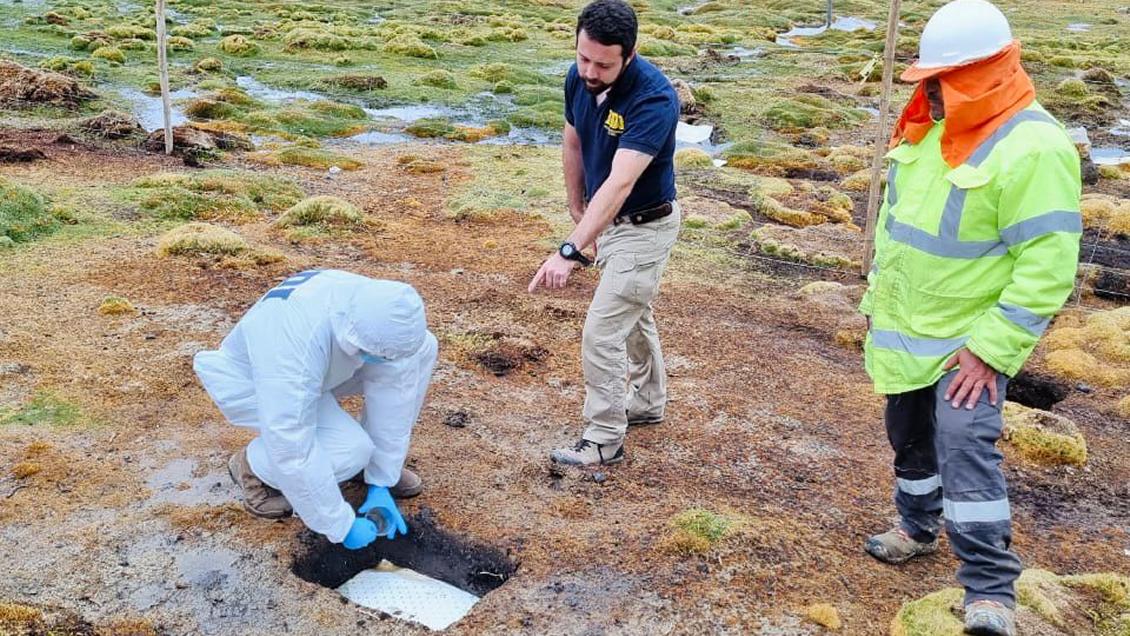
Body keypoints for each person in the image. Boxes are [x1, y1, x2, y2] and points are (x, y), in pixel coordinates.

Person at [858, 1, 1082, 634]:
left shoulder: (1034, 148)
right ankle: (917, 527)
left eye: (944, 78)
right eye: (928, 79)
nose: (930, 90)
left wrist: (991, 348)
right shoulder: (927, 129)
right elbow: (896, 232)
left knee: (966, 454)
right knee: (909, 437)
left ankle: (989, 589)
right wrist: (877, 306)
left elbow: (1047, 266)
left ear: (990, 71)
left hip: (970, 346)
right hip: (906, 333)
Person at [529, 0, 681, 466]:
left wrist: (570, 248)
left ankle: (603, 439)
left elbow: (620, 182)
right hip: (607, 221)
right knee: (633, 311)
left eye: (603, 63)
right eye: (583, 58)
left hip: (644, 226)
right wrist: (577, 208)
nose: (590, 71)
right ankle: (648, 403)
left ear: (629, 55)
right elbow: (573, 139)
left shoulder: (653, 99)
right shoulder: (578, 77)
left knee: (602, 330)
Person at [193, 269, 438, 550]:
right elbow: (292, 445)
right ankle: (252, 466)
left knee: (421, 351)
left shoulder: (378, 309)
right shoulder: (293, 344)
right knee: (350, 449)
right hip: (253, 380)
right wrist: (340, 525)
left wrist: (382, 479)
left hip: (323, 368)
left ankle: (366, 469)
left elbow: (397, 393)